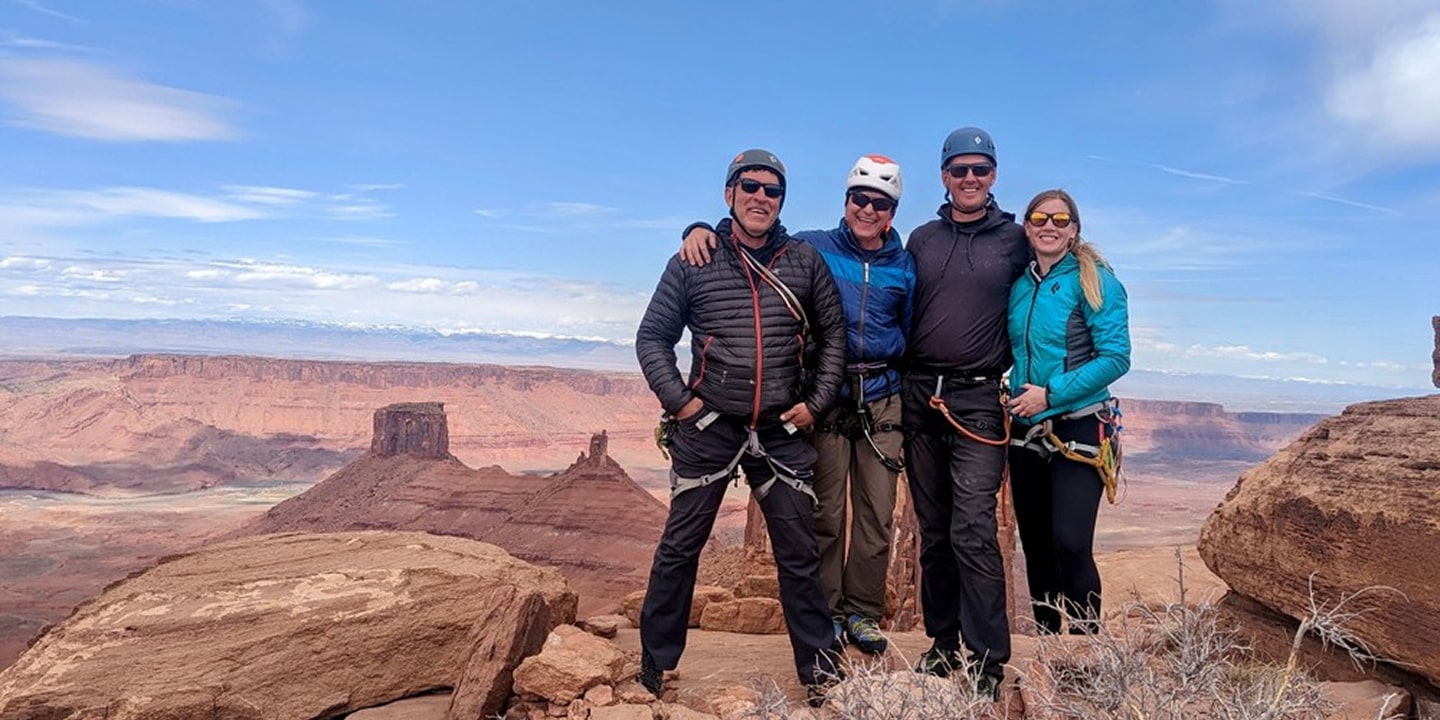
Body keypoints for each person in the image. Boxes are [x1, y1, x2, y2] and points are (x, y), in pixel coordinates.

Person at [634, 148, 848, 705]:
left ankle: (820, 673)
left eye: (772, 190)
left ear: (782, 201)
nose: (760, 197)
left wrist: (817, 402)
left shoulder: (804, 261)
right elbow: (652, 338)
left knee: (798, 555)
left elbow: (834, 340)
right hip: (710, 426)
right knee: (681, 547)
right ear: (729, 194)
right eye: (749, 186)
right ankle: (655, 664)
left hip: (781, 430)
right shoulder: (694, 259)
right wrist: (684, 406)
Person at [679, 155, 916, 656]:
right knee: (825, 512)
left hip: (881, 398)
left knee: (876, 515)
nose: (867, 210)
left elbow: (911, 331)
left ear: (892, 211)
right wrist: (699, 228)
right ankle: (826, 613)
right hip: (824, 398)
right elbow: (754, 240)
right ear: (846, 202)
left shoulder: (905, 265)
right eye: (859, 199)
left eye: (880, 203)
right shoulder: (812, 247)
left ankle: (863, 614)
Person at [901, 126, 1030, 698]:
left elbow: (1066, 280)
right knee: (933, 531)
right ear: (944, 176)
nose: (970, 179)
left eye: (980, 169)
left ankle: (987, 659)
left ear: (995, 175)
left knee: (972, 527)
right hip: (917, 395)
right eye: (959, 170)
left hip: (978, 399)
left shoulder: (1016, 239)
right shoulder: (921, 239)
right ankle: (943, 642)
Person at [1005, 189, 1131, 634]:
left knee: (1071, 543)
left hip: (1079, 427)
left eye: (1061, 220)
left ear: (1074, 230)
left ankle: (1084, 650)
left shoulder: (1094, 280)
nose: (1050, 226)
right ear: (1027, 226)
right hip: (1025, 430)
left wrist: (1050, 395)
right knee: (1036, 546)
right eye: (1040, 217)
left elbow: (1116, 357)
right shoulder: (1020, 287)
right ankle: (1047, 644)